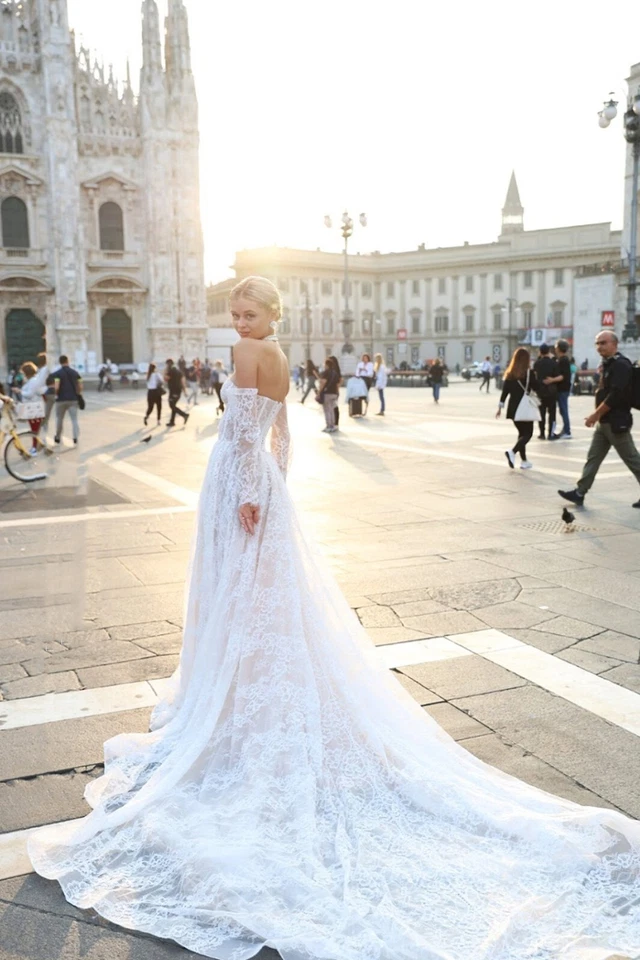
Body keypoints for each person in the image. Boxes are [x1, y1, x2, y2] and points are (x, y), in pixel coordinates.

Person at [29, 274, 640, 960]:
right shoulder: (281, 353)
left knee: (236, 593)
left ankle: (229, 690)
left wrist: (246, 491)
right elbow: (282, 434)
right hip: (256, 483)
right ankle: (239, 680)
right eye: (234, 311)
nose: (239, 320)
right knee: (257, 598)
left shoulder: (245, 355)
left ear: (270, 313)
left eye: (249, 311)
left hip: (236, 482)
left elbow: (237, 434)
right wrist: (272, 487)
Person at [559, 330, 640, 508]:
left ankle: (580, 492)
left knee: (633, 460)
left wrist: (596, 414)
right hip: (604, 422)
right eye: (597, 343)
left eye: (603, 343)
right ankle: (580, 492)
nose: (599, 347)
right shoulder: (608, 363)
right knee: (593, 458)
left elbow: (616, 395)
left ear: (615, 344)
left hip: (616, 422)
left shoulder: (621, 365)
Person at [496, 347, 539, 470]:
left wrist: (500, 408)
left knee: (521, 434)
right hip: (525, 408)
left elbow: (504, 393)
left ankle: (524, 461)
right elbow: (537, 387)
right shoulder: (529, 374)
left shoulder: (510, 374)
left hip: (513, 409)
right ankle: (512, 452)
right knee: (528, 434)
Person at [53, 354, 83, 445]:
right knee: (74, 419)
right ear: (67, 361)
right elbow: (80, 385)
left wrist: (56, 394)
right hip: (73, 399)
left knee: (59, 419)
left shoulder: (58, 373)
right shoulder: (75, 373)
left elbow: (57, 386)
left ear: (60, 362)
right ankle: (75, 437)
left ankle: (58, 437)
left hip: (61, 400)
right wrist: (78, 393)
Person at [546, 338, 572, 439]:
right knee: (562, 409)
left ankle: (567, 431)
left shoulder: (563, 360)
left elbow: (563, 376)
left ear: (559, 348)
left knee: (564, 409)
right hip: (562, 388)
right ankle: (565, 429)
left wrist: (551, 380)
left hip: (563, 388)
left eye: (556, 347)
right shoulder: (562, 360)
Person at [18, 361, 45, 449]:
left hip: (34, 409)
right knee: (34, 429)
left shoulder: (33, 381)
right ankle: (37, 445)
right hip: (32, 408)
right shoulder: (32, 380)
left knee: (34, 430)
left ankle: (35, 447)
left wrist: (20, 391)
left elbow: (30, 394)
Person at [532, 343, 557, 440]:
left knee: (541, 413)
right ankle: (551, 433)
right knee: (552, 413)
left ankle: (542, 433)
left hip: (540, 391)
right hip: (552, 391)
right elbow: (557, 376)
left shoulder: (537, 363)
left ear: (540, 352)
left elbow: (534, 376)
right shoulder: (553, 363)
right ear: (549, 351)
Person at [317, 354, 341, 433]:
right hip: (334, 393)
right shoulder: (335, 373)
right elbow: (338, 384)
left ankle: (328, 426)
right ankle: (333, 425)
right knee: (331, 410)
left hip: (327, 393)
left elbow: (323, 383)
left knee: (327, 410)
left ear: (327, 364)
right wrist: (337, 392)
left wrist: (319, 392)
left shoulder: (326, 372)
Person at [165, 358, 189, 428]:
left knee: (172, 406)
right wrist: (184, 391)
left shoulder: (170, 371)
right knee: (173, 405)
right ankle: (172, 421)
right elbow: (183, 382)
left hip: (173, 391)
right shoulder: (179, 371)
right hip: (178, 391)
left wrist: (165, 371)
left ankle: (184, 415)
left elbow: (165, 379)